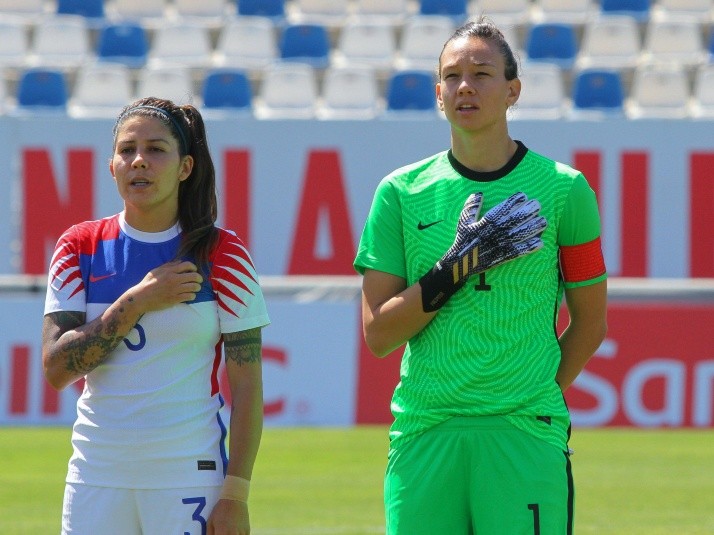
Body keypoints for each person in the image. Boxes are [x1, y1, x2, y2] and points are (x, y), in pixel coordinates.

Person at [354, 17, 608, 535]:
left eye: (482, 73)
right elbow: (379, 333)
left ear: (513, 90)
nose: (465, 85)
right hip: (425, 431)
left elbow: (592, 322)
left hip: (524, 435)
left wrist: (538, 395)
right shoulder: (400, 193)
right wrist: (459, 265)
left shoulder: (566, 191)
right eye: (451, 76)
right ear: (438, 94)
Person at [42, 97, 270, 535]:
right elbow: (56, 369)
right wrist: (138, 301)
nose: (139, 161)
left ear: (185, 167)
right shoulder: (79, 246)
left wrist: (236, 494)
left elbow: (246, 387)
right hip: (96, 472)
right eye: (127, 150)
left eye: (156, 149)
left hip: (188, 474)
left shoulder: (223, 253)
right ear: (111, 166)